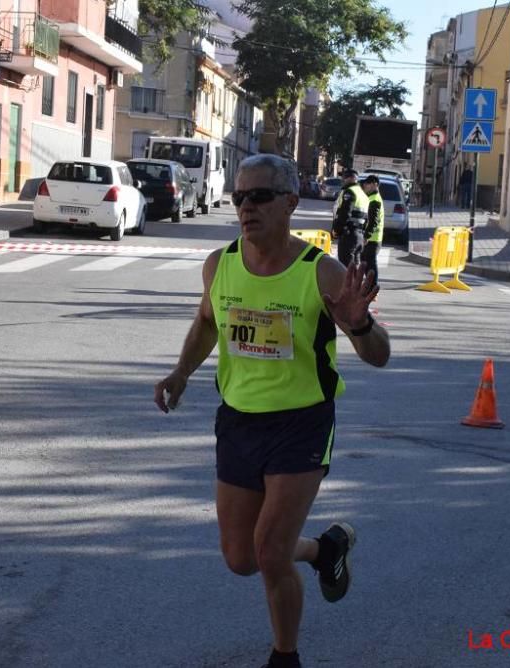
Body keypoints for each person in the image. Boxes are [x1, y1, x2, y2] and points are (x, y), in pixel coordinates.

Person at [153, 154, 390, 668]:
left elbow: (380, 357)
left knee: (269, 554)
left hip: (300, 424)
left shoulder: (321, 272)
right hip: (238, 421)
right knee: (241, 559)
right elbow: (207, 323)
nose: (246, 207)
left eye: (259, 196)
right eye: (239, 197)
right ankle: (324, 551)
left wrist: (359, 324)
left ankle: (285, 657)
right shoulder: (220, 264)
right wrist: (181, 372)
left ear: (289, 203)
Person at [330, 169, 367, 266]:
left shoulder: (350, 192)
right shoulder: (363, 194)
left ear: (352, 178)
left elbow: (344, 214)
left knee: (345, 268)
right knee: (355, 268)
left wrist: (336, 231)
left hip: (349, 236)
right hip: (359, 235)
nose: (343, 180)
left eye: (345, 177)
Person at [359, 174, 384, 285]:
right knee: (365, 262)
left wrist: (366, 236)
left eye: (368, 184)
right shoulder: (371, 198)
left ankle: (373, 288)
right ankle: (369, 286)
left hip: (372, 239)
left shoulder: (375, 200)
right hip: (371, 238)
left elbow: (374, 221)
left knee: (370, 264)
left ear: (375, 185)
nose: (365, 186)